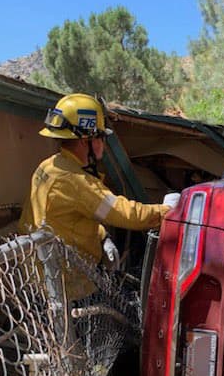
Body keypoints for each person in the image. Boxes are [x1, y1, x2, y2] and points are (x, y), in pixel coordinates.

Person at [19, 93, 171, 299]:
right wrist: (169, 212)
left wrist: (102, 236)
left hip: (42, 276)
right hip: (69, 284)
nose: (104, 144)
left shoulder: (50, 166)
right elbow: (124, 213)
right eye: (101, 137)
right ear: (86, 140)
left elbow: (69, 217)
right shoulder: (74, 180)